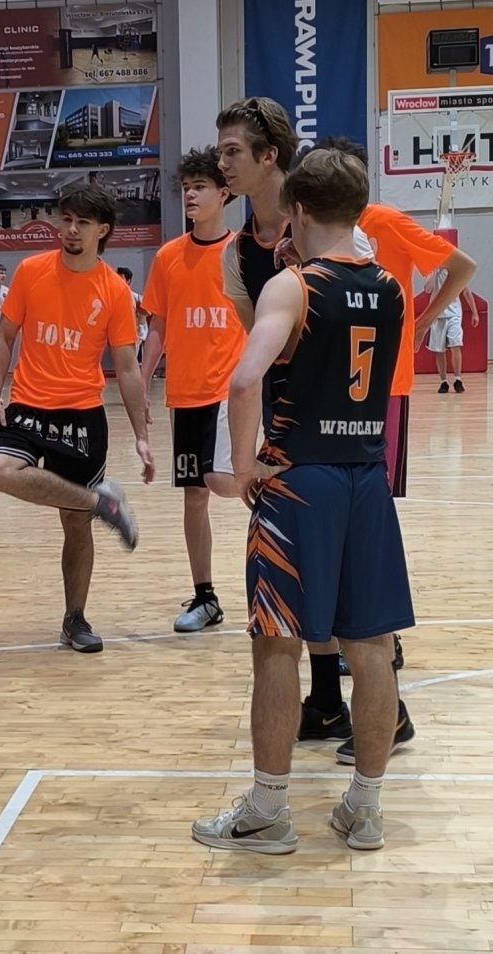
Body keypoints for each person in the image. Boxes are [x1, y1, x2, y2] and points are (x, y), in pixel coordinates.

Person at [192, 148, 414, 854]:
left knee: (277, 646)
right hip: (367, 478)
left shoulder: (293, 286)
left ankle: (267, 812)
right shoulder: (390, 288)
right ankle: (365, 810)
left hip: (301, 480)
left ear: (298, 210)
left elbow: (243, 380)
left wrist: (246, 465)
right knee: (372, 646)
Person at [299, 139, 476, 749]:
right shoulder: (306, 235)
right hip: (328, 400)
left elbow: (462, 266)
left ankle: (383, 666)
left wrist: (420, 322)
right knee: (335, 529)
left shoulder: (384, 222)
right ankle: (331, 695)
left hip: (381, 393)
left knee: (364, 527)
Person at [0, 183, 154, 653]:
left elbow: (128, 367)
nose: (71, 229)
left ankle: (75, 619)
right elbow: (4, 338)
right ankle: (101, 503)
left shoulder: (114, 291)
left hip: (82, 415)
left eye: (83, 223)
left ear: (103, 231)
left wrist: (141, 435)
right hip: (28, 407)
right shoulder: (31, 271)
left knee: (75, 526)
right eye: (66, 219)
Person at [139, 147, 245, 633]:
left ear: (224, 193)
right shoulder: (168, 257)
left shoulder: (243, 252)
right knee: (195, 496)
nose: (190, 195)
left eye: (200, 187)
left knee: (228, 482)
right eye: (186, 188)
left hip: (231, 391)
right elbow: (157, 328)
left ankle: (283, 573)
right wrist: (141, 383)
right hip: (185, 394)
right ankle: (206, 598)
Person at [425, 271, 480, 392]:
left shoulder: (456, 269)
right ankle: (443, 381)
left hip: (454, 313)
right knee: (439, 350)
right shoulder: (433, 270)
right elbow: (428, 289)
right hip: (437, 314)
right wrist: (435, 271)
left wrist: (475, 313)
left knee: (456, 344)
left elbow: (466, 292)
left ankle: (458, 379)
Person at [116, 266, 148, 360]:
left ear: (128, 280)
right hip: (119, 335)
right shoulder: (113, 298)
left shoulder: (136, 298)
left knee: (134, 362)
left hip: (135, 335)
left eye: (121, 278)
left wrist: (139, 331)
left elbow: (144, 315)